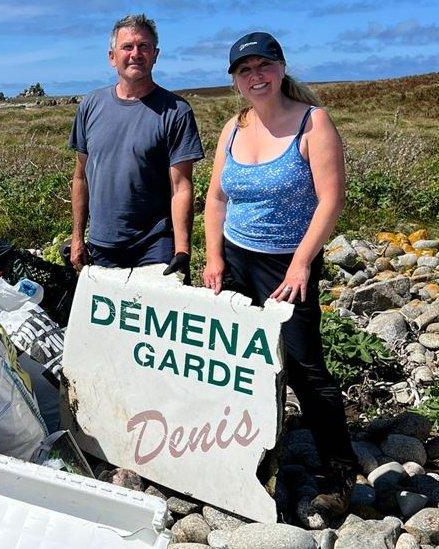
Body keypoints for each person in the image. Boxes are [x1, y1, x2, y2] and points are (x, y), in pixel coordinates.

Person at [202, 32, 357, 515]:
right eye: (245, 70)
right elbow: (216, 199)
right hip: (235, 259)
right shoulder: (233, 126)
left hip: (287, 262)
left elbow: (331, 200)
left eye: (264, 66)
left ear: (282, 67)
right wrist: (213, 258)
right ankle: (245, 452)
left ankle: (340, 467)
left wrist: (301, 263)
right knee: (236, 364)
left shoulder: (314, 123)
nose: (256, 76)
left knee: (305, 367)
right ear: (235, 80)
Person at [67, 14, 204, 279]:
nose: (136, 54)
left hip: (154, 245)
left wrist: (183, 250)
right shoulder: (90, 105)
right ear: (112, 57)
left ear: (155, 54)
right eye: (127, 47)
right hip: (102, 244)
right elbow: (80, 177)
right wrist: (77, 237)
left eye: (144, 46)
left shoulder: (176, 111)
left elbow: (182, 187)